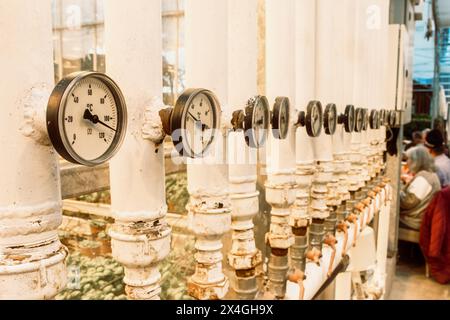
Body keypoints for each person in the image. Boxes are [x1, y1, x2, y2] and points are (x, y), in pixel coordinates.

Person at [399, 146, 441, 230]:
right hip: (420, 219)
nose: (407, 162)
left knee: (385, 219)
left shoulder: (423, 178)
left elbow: (407, 202)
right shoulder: (429, 174)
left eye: (409, 159)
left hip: (414, 222)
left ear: (416, 161)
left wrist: (398, 188)